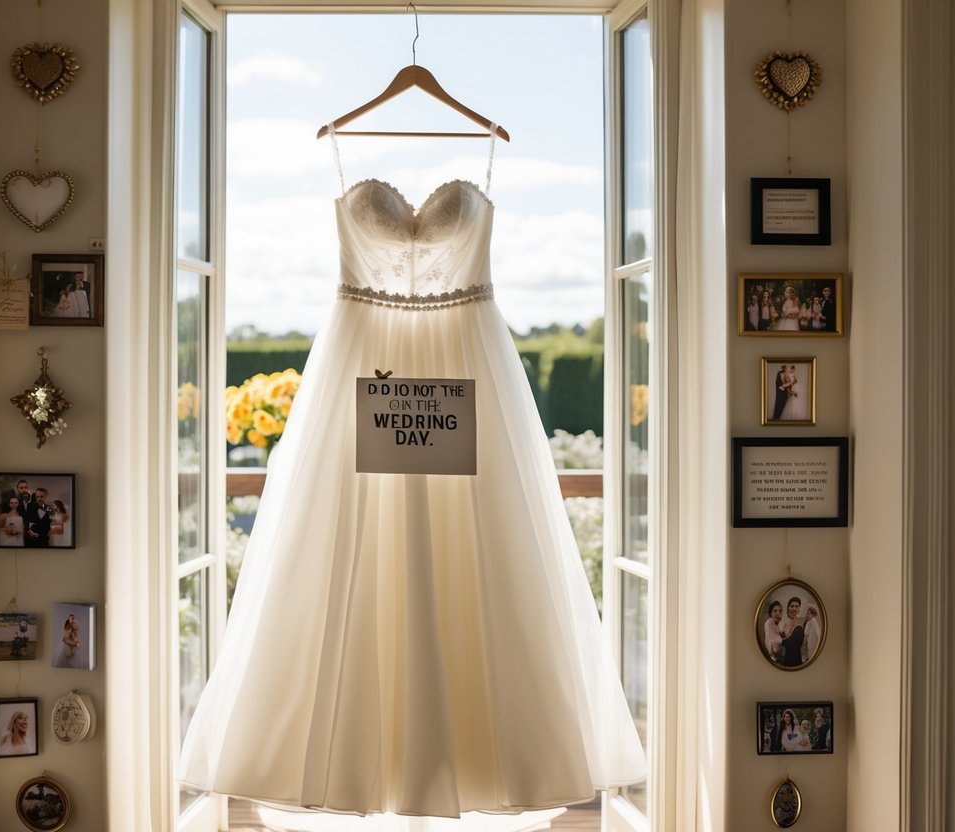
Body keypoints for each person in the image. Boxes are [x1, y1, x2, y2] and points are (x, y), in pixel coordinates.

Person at [178, 127, 646, 815]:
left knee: (486, 554)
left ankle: (480, 766)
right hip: (359, 358)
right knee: (340, 553)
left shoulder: (482, 151)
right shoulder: (342, 150)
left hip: (469, 361)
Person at [781, 596, 805, 667]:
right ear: (788, 608)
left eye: (796, 606)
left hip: (795, 662)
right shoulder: (786, 624)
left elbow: (790, 644)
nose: (794, 608)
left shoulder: (801, 625)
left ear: (799, 609)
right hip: (786, 660)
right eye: (792, 606)